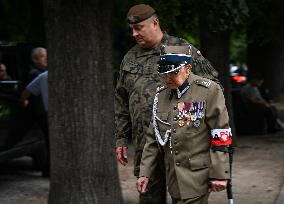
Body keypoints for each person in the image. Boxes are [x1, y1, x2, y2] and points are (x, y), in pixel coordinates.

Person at [115, 4, 220, 204]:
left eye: (139, 28)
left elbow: (213, 89)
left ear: (155, 23)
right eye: (132, 29)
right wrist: (121, 138)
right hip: (146, 147)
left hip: (181, 146)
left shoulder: (181, 49)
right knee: (148, 198)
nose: (134, 34)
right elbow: (121, 100)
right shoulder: (129, 58)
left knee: (183, 198)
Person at [136, 46, 232, 204]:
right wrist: (144, 173)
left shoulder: (208, 91)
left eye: (173, 72)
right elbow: (154, 138)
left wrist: (220, 173)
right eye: (165, 73)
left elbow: (220, 133)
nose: (168, 78)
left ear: (188, 69)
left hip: (198, 176)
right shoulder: (161, 95)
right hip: (173, 178)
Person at [20, 71, 49, 177]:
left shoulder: (44, 75)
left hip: (48, 113)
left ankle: (48, 170)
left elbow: (26, 91)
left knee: (49, 142)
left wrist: (23, 101)